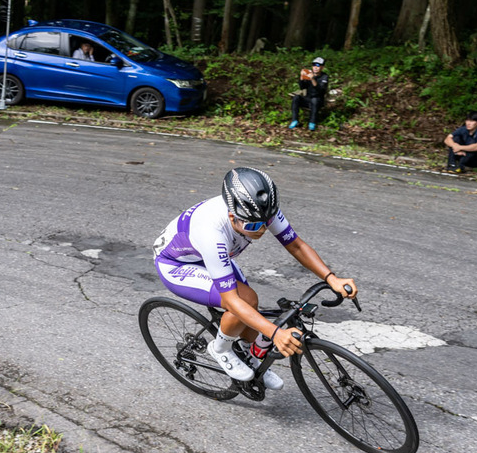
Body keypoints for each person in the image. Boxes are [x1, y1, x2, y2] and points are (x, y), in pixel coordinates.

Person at [152, 167, 357, 389]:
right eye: (252, 226)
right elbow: (232, 301)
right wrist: (276, 332)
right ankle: (219, 349)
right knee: (244, 301)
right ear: (232, 216)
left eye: (265, 224)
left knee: (250, 312)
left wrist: (331, 278)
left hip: (212, 256)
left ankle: (250, 358)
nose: (260, 231)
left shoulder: (259, 212)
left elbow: (296, 245)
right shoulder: (212, 232)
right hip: (178, 264)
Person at [288, 56, 329, 131]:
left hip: (318, 101)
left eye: (318, 65)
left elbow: (321, 90)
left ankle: (312, 122)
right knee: (296, 98)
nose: (315, 67)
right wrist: (301, 77)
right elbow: (302, 87)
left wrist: (312, 79)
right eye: (314, 65)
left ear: (322, 67)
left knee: (315, 100)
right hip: (308, 99)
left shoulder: (324, 77)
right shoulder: (309, 74)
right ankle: (294, 120)